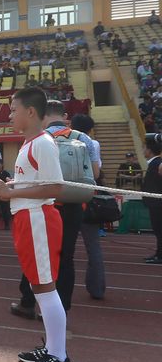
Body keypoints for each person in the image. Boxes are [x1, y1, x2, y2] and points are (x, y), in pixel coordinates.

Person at [0, 88, 72, 362]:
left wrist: (9, 192)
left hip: (38, 217)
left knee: (44, 287)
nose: (10, 115)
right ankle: (52, 349)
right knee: (39, 286)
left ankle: (60, 358)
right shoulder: (29, 144)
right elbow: (36, 182)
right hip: (28, 217)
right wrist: (11, 187)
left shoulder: (43, 143)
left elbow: (54, 188)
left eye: (13, 110)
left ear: (31, 112)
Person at [10, 100, 93, 319]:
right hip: (72, 205)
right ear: (64, 116)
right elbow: (94, 171)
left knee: (36, 257)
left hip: (41, 207)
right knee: (65, 258)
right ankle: (61, 307)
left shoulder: (36, 139)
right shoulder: (82, 138)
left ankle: (28, 302)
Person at [70, 113, 105, 299]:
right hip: (88, 197)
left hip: (67, 197)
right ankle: (97, 288)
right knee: (93, 246)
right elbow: (96, 172)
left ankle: (60, 288)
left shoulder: (62, 139)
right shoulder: (93, 143)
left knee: (64, 247)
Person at [143, 134, 162, 264]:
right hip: (154, 202)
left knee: (159, 229)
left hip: (158, 203)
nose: (143, 150)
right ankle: (158, 253)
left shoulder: (157, 164)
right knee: (157, 230)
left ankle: (160, 256)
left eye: (144, 148)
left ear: (149, 150)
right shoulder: (154, 163)